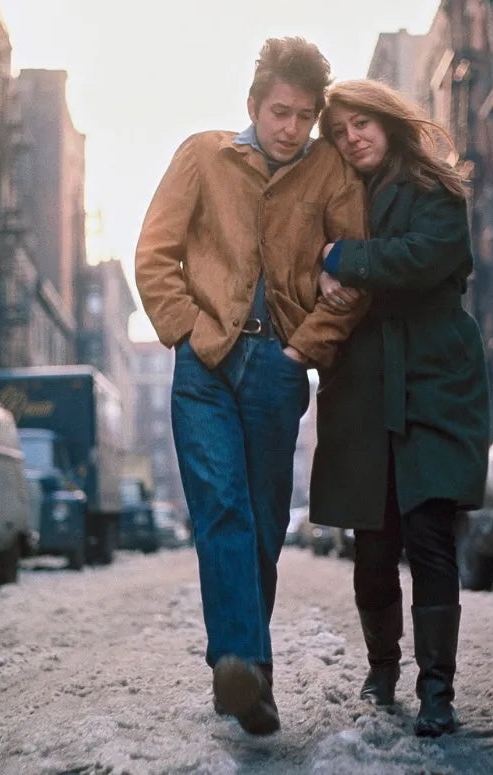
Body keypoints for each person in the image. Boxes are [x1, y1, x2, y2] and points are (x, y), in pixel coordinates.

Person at [134, 39, 367, 736]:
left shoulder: (329, 173)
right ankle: (239, 661)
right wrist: (187, 332)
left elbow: (351, 277)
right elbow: (155, 254)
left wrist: (305, 349)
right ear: (253, 105)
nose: (290, 128)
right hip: (204, 367)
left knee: (264, 523)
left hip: (278, 367)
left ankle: (246, 673)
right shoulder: (203, 156)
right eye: (279, 112)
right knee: (223, 509)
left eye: (303, 115)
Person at [309, 79, 491, 738]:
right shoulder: (335, 198)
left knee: (430, 537)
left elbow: (420, 260)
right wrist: (321, 267)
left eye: (362, 123)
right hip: (362, 384)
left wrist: (342, 257)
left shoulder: (436, 190)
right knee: (373, 543)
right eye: (340, 130)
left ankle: (437, 689)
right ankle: (381, 667)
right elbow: (307, 267)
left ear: (388, 123)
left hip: (433, 378)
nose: (353, 137)